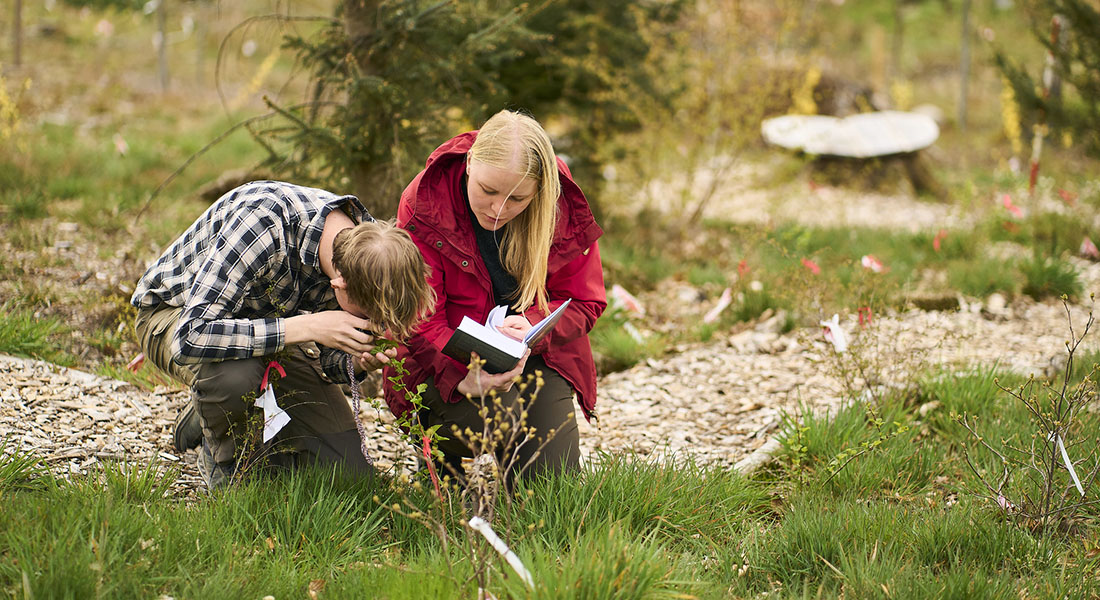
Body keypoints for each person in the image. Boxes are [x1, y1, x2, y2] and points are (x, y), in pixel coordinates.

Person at [131, 181, 435, 490]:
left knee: (349, 474)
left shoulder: (368, 250)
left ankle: (221, 416)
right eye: (365, 317)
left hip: (272, 334)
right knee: (237, 376)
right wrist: (310, 327)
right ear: (339, 285)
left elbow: (328, 359)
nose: (368, 323)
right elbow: (191, 336)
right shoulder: (263, 223)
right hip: (174, 315)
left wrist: (356, 361)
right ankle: (224, 453)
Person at [385, 109, 606, 487]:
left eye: (518, 198)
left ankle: (515, 457)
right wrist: (460, 378)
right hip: (444, 359)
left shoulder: (561, 204)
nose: (498, 209)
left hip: (534, 355)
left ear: (539, 191)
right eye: (488, 191)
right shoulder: (425, 201)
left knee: (552, 489)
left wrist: (535, 324)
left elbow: (585, 301)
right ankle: (443, 457)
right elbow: (417, 314)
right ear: (470, 164)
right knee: (493, 421)